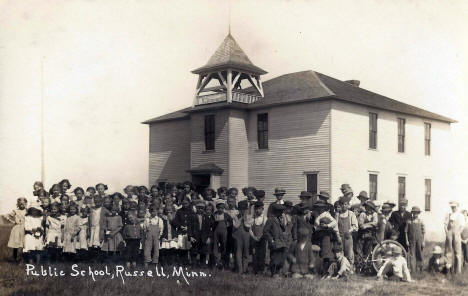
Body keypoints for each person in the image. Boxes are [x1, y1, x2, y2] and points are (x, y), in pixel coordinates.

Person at [264, 204, 288, 278]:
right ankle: (274, 273)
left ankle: (278, 272)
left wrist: (282, 221)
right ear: (275, 211)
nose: (281, 213)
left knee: (281, 258)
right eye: (280, 211)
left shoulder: (279, 219)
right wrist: (271, 240)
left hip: (281, 242)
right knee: (275, 258)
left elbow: (283, 229)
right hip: (275, 242)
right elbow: (265, 231)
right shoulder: (270, 219)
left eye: (282, 211)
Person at [314, 200, 339, 272]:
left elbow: (334, 222)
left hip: (326, 235)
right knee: (320, 252)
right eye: (318, 207)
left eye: (321, 207)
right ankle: (321, 269)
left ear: (324, 208)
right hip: (319, 234)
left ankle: (327, 270)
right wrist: (318, 228)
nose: (320, 209)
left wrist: (327, 226)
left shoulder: (326, 214)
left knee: (326, 252)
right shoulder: (318, 215)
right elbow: (316, 226)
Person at [189, 201, 214, 268]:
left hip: (204, 236)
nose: (200, 209)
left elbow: (210, 228)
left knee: (203, 251)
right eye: (199, 208)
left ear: (204, 209)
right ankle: (194, 265)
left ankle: (203, 265)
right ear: (196, 208)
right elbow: (190, 227)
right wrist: (190, 236)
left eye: (202, 208)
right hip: (195, 236)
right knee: (194, 251)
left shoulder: (206, 217)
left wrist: (209, 237)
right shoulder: (192, 216)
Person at [444, 201, 465, 274]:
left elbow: (462, 226)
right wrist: (447, 232)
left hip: (457, 234)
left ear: (457, 207)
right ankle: (448, 270)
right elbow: (445, 224)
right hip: (449, 234)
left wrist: (458, 233)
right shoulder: (449, 215)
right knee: (448, 252)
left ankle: (457, 271)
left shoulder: (461, 215)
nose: (453, 208)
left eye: (454, 207)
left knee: (457, 253)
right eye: (452, 207)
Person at [335, 200, 358, 265]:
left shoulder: (350, 213)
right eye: (342, 204)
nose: (344, 206)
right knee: (340, 253)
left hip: (348, 237)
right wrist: (337, 236)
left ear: (348, 205)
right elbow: (335, 226)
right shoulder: (337, 214)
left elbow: (355, 226)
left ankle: (351, 268)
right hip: (340, 236)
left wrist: (349, 231)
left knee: (349, 253)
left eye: (345, 204)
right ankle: (342, 269)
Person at [232, 200, 252, 274]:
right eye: (241, 209)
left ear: (246, 209)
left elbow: (248, 227)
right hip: (238, 236)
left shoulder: (249, 216)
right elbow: (235, 226)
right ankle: (240, 269)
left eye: (244, 209)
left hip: (246, 236)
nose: (243, 211)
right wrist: (240, 219)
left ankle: (245, 268)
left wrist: (245, 219)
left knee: (246, 252)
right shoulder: (235, 217)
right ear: (238, 210)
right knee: (238, 252)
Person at [6, 197, 27, 263]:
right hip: (17, 228)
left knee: (24, 244)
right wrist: (12, 221)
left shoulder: (27, 211)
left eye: (23, 204)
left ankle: (22, 258)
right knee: (16, 244)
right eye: (20, 204)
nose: (22, 205)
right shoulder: (15, 211)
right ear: (18, 204)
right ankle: (15, 258)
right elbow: (7, 216)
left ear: (26, 204)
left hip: (24, 228)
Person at [212, 200, 232, 269]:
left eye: (222, 208)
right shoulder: (214, 214)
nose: (220, 209)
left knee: (224, 247)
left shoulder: (226, 215)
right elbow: (211, 223)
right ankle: (216, 262)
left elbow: (231, 222)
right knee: (215, 247)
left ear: (223, 208)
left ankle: (223, 262)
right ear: (217, 207)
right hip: (215, 233)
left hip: (224, 233)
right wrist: (214, 222)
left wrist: (228, 225)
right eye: (219, 208)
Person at [405, 206, 425, 273]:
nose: (415, 214)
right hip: (411, 240)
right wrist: (407, 240)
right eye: (414, 213)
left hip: (419, 240)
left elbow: (423, 232)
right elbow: (406, 232)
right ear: (412, 213)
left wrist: (423, 241)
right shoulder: (409, 221)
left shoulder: (420, 221)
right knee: (412, 255)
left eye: (416, 213)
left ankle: (419, 269)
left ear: (418, 213)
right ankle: (412, 270)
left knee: (419, 253)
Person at [250, 201, 267, 274]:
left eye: (259, 209)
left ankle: (261, 269)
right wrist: (254, 237)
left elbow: (266, 229)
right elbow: (250, 229)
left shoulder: (265, 218)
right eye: (256, 209)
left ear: (262, 209)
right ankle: (255, 270)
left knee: (262, 254)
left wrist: (262, 236)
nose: (257, 210)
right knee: (254, 254)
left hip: (262, 239)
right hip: (254, 239)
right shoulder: (252, 218)